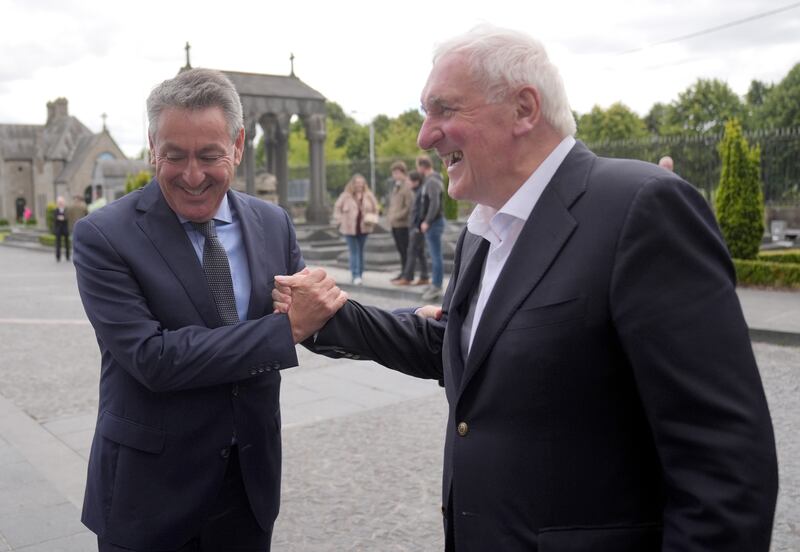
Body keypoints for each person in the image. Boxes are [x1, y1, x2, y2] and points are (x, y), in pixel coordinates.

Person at [276, 25, 778, 551]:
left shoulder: (640, 207)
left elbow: (724, 465)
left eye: (444, 110)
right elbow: (462, 347)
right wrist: (329, 316)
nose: (425, 136)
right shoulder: (483, 230)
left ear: (524, 109)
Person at [72, 68, 346, 552]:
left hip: (247, 488)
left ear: (237, 146)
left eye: (209, 155)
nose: (193, 175)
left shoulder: (272, 223)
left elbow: (314, 312)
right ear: (152, 146)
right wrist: (282, 332)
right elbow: (153, 358)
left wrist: (417, 325)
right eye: (174, 155)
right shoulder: (103, 236)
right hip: (148, 496)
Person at [333, 173, 379, 285]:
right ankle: (355, 275)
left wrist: (373, 217)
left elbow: (376, 208)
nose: (359, 185)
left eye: (361, 183)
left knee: (361, 251)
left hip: (364, 228)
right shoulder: (345, 196)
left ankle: (360, 273)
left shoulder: (368, 195)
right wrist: (339, 220)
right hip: (349, 228)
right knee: (354, 251)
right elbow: (337, 208)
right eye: (357, 183)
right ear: (352, 184)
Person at [391, 170, 429, 286]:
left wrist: (417, 225)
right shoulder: (417, 191)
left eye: (409, 181)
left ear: (416, 181)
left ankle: (407, 277)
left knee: (411, 251)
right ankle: (424, 276)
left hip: (416, 227)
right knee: (420, 252)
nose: (407, 183)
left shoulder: (420, 192)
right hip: (416, 226)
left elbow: (420, 210)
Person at [415, 154, 445, 301]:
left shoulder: (432, 181)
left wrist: (427, 221)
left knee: (435, 255)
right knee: (433, 255)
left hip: (434, 223)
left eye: (417, 166)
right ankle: (435, 283)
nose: (417, 170)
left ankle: (437, 286)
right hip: (433, 223)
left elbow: (434, 203)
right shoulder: (430, 180)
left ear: (422, 166)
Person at [386, 160, 414, 280]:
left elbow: (409, 206)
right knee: (400, 250)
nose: (395, 175)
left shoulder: (407, 186)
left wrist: (397, 216)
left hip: (403, 224)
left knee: (405, 250)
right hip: (394, 224)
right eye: (393, 173)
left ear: (403, 172)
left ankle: (407, 274)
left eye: (397, 173)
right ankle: (403, 272)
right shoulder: (396, 186)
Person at [53, 195, 70, 261]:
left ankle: (67, 256)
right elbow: (55, 219)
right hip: (58, 229)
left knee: (67, 243)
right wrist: (59, 218)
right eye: (59, 202)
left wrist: (63, 218)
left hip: (65, 229)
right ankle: (58, 256)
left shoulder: (66, 210)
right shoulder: (56, 210)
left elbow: (68, 218)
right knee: (58, 244)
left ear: (64, 202)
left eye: (61, 202)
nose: (60, 203)